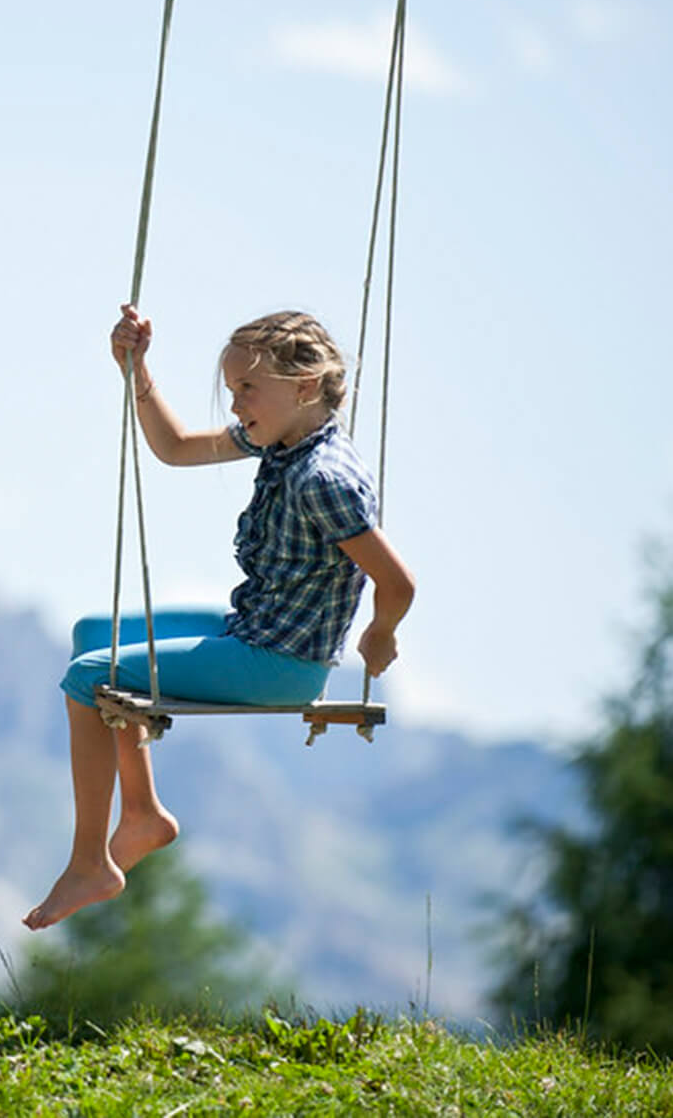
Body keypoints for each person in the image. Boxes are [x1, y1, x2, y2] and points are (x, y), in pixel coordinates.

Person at [23, 306, 416, 931]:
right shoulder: (283, 440)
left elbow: (397, 582)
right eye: (233, 390)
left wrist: (380, 633)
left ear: (304, 386)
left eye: (245, 389)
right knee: (93, 635)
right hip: (252, 632)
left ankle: (89, 861)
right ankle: (144, 814)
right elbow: (175, 448)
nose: (235, 405)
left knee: (86, 676)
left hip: (281, 667)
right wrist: (137, 370)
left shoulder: (322, 477)